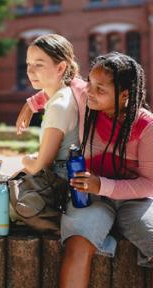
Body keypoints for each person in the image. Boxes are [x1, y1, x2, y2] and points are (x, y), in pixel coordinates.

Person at [18, 52, 153, 287]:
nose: (90, 90)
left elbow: (150, 183)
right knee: (77, 244)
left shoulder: (145, 126)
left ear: (125, 95)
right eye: (90, 82)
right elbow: (63, 85)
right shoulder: (86, 97)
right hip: (90, 198)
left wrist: (102, 184)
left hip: (134, 201)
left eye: (101, 89)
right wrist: (31, 104)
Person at [19, 34, 81, 180]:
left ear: (60, 68)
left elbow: (40, 169)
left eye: (39, 64)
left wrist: (25, 159)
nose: (30, 71)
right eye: (28, 64)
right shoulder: (64, 95)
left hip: (61, 188)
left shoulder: (59, 106)